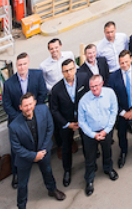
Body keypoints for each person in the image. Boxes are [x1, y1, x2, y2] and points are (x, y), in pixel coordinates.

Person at [8, 93, 64, 208]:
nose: (28, 107)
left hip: (43, 151)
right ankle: (21, 205)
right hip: (25, 157)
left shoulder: (43, 109)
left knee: (48, 172)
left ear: (34, 103)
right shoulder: (14, 126)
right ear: (20, 107)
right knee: (22, 183)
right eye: (25, 106)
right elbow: (16, 147)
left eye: (30, 104)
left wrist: (42, 150)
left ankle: (52, 190)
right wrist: (33, 156)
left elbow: (50, 128)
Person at [77, 75, 119, 196]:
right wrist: (93, 135)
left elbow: (113, 111)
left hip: (106, 130)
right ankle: (89, 180)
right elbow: (82, 122)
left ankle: (108, 169)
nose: (94, 89)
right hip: (90, 134)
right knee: (90, 158)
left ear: (102, 84)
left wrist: (106, 130)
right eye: (91, 87)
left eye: (96, 86)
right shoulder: (84, 100)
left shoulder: (110, 93)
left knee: (107, 151)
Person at [107, 50, 132, 167]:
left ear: (131, 59)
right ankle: (123, 151)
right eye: (121, 63)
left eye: (126, 62)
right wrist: (123, 112)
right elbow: (112, 98)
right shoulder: (113, 77)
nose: (124, 65)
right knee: (121, 133)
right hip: (122, 112)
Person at [48, 58, 82, 188]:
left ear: (75, 69)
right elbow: (54, 110)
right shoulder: (56, 89)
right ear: (62, 72)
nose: (69, 73)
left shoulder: (83, 79)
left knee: (87, 142)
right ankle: (67, 170)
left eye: (71, 69)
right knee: (66, 147)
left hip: (82, 119)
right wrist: (67, 124)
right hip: (66, 123)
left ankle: (90, 163)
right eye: (66, 71)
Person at [3, 53, 50, 123]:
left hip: (37, 115)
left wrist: (33, 112)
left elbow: (43, 93)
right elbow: (7, 105)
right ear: (16, 65)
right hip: (18, 119)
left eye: (24, 64)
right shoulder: (8, 84)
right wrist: (20, 117)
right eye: (20, 65)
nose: (22, 67)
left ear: (28, 63)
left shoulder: (38, 75)